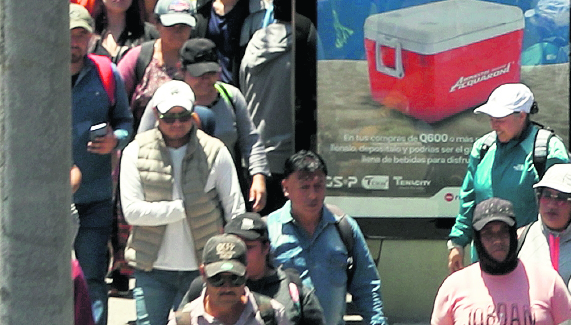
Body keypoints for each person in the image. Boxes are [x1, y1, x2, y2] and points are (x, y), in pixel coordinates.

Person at [125, 80, 247, 325]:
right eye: (168, 118)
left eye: (183, 116)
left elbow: (236, 210)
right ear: (155, 115)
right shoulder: (135, 151)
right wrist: (181, 209)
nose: (177, 124)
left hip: (202, 270)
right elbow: (132, 212)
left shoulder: (216, 151)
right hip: (152, 270)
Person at [449, 83, 571, 272]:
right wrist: (457, 243)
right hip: (485, 260)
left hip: (532, 262)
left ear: (522, 115)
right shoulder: (482, 148)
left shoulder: (548, 150)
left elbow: (564, 207)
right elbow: (468, 201)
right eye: (491, 118)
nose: (493, 124)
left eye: (500, 118)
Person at [270, 151, 384, 325]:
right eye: (304, 187)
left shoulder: (343, 227)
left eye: (318, 186)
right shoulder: (270, 231)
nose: (313, 195)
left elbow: (366, 285)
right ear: (286, 188)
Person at [434, 199, 571, 325]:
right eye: (488, 233)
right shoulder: (453, 287)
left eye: (503, 231)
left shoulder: (548, 282)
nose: (497, 240)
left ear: (514, 234)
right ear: (477, 239)